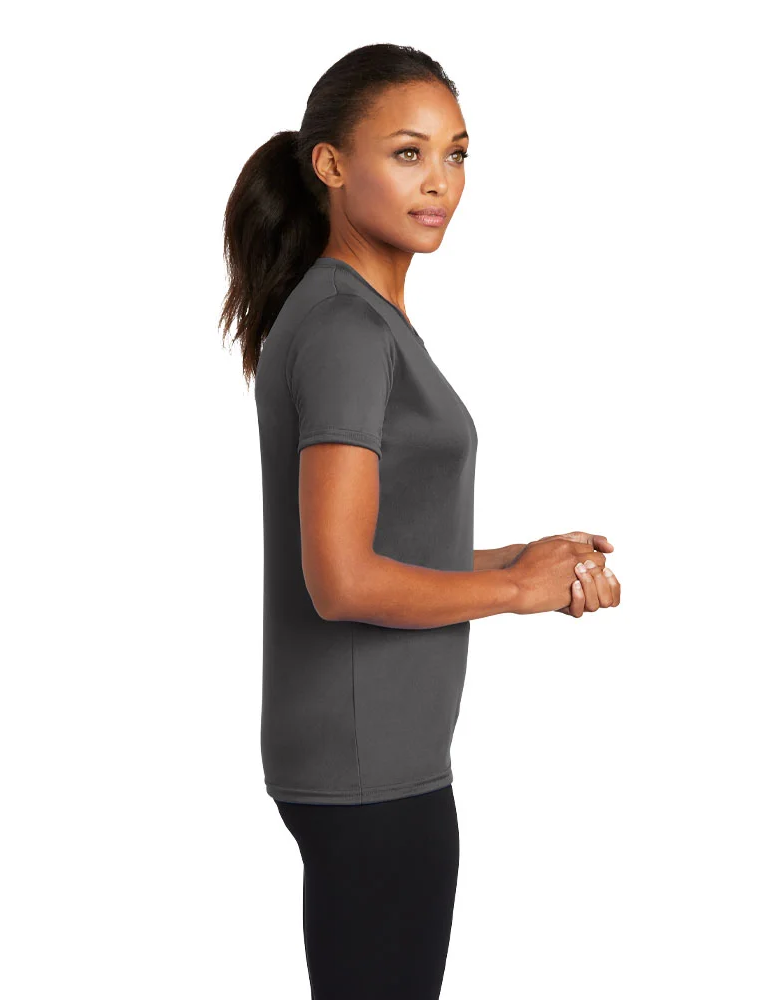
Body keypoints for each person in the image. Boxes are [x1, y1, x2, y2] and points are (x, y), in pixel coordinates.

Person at [220, 42, 621, 1000]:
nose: (440, 181)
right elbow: (341, 580)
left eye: (457, 154)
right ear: (330, 164)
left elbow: (379, 545)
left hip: (374, 759)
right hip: (371, 770)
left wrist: (523, 557)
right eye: (408, 153)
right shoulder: (346, 328)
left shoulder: (356, 317)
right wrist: (515, 591)